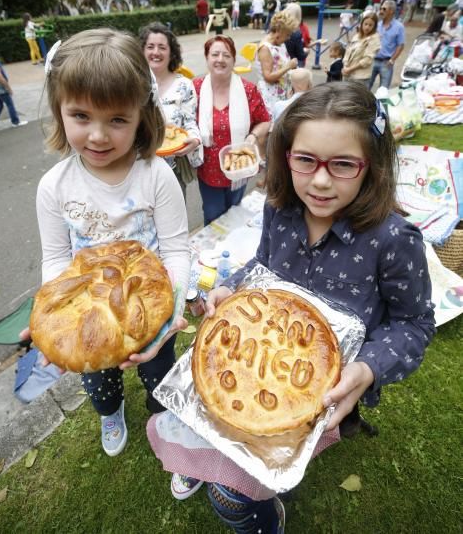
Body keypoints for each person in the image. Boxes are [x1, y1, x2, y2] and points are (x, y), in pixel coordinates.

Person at [195, 82, 434, 532]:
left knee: (251, 483)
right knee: (224, 460)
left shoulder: (392, 240)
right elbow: (264, 264)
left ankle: (268, 507)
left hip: (333, 384)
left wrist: (367, 369)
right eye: (306, 160)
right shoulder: (279, 208)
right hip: (265, 371)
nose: (320, 180)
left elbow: (415, 322)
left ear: (372, 167)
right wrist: (232, 288)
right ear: (285, 156)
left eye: (343, 164)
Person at [35, 28, 190, 457]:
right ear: (59, 110)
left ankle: (166, 419)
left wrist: (171, 313)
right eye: (81, 116)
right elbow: (56, 260)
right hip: (88, 318)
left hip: (150, 312)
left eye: (117, 119)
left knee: (161, 374)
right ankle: (111, 411)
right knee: (99, 383)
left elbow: (176, 248)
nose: (99, 136)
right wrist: (53, 317)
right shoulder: (54, 186)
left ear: (142, 115)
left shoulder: (156, 175)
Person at [193, 35, 270, 225]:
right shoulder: (194, 89)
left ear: (234, 60)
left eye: (226, 55)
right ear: (207, 58)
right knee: (212, 216)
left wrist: (253, 135)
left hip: (240, 165)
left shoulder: (248, 90)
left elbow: (265, 121)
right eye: (215, 54)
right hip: (209, 170)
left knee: (234, 214)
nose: (220, 59)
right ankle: (210, 254)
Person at [139, 22, 202, 196]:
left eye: (162, 47)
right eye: (150, 46)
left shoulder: (184, 85)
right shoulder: (133, 84)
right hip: (137, 168)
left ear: (171, 52)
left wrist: (195, 140)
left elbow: (190, 122)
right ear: (142, 51)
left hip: (172, 169)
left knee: (174, 220)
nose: (156, 52)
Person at [254, 9, 299, 117]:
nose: (288, 38)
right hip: (271, 96)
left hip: (282, 93)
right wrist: (288, 67)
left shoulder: (279, 43)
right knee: (274, 125)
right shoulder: (265, 48)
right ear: (279, 32)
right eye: (287, 34)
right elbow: (268, 77)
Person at [368, 0, 405, 90]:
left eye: (384, 9)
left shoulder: (399, 26)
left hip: (386, 62)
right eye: (380, 9)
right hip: (373, 60)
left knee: (383, 90)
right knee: (366, 86)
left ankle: (380, 104)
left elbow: (400, 45)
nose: (381, 11)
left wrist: (392, 60)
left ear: (391, 11)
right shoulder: (377, 25)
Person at [342, 13, 381, 87]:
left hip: (361, 77)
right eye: (365, 24)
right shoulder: (357, 36)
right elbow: (348, 52)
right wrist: (345, 66)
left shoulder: (374, 39)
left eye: (370, 25)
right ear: (362, 23)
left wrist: (350, 69)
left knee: (358, 97)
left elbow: (367, 60)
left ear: (374, 26)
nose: (367, 27)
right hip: (348, 75)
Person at [0, 58, 28, 128]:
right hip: (0, 89)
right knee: (10, 104)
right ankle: (15, 122)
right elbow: (0, 77)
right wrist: (8, 88)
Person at [284, 2, 307, 67]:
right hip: (293, 63)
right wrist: (306, 52)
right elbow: (301, 56)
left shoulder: (280, 26)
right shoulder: (296, 32)